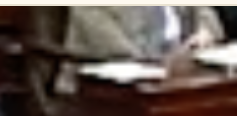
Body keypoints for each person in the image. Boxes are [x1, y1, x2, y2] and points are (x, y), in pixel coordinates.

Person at [64, 6, 223, 68]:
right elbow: (115, 50)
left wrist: (205, 32)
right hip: (104, 91)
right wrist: (168, 63)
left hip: (183, 76)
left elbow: (207, 14)